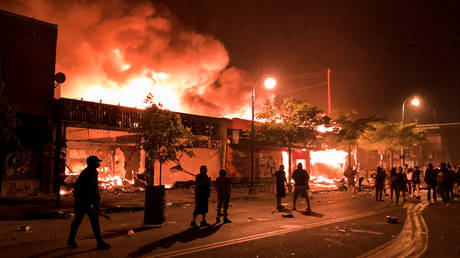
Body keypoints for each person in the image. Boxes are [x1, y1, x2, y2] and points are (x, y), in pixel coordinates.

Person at [68, 156, 110, 249]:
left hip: (90, 202)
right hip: (83, 202)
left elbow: (94, 189)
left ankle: (99, 242)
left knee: (94, 222)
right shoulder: (86, 173)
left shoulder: (94, 172)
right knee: (78, 221)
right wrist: (87, 204)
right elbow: (82, 190)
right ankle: (71, 240)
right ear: (92, 163)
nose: (98, 164)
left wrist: (97, 201)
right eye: (97, 162)